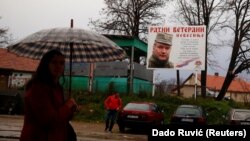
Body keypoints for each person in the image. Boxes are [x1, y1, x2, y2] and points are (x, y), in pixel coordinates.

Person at [20, 49, 78, 141]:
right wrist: (67, 106)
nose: (58, 66)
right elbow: (49, 120)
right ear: (46, 65)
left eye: (62, 63)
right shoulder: (38, 88)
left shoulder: (57, 87)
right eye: (54, 62)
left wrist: (71, 109)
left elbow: (62, 117)